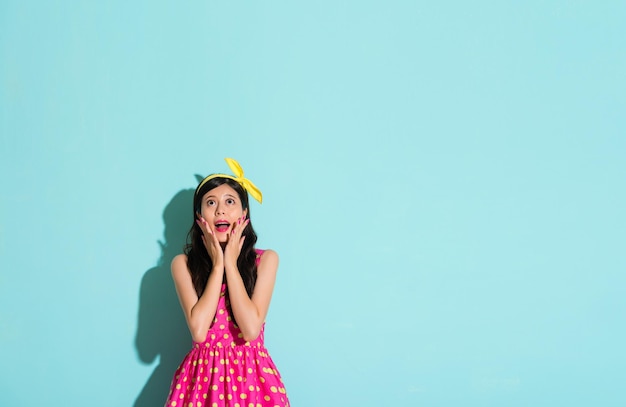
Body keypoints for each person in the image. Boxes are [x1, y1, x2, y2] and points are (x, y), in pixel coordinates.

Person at [164, 158, 290, 407]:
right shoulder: (183, 264)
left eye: (230, 202)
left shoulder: (265, 260)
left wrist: (231, 265)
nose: (220, 210)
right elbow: (199, 332)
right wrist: (218, 264)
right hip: (202, 383)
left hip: (253, 381)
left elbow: (251, 330)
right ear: (200, 217)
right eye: (211, 203)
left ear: (244, 213)